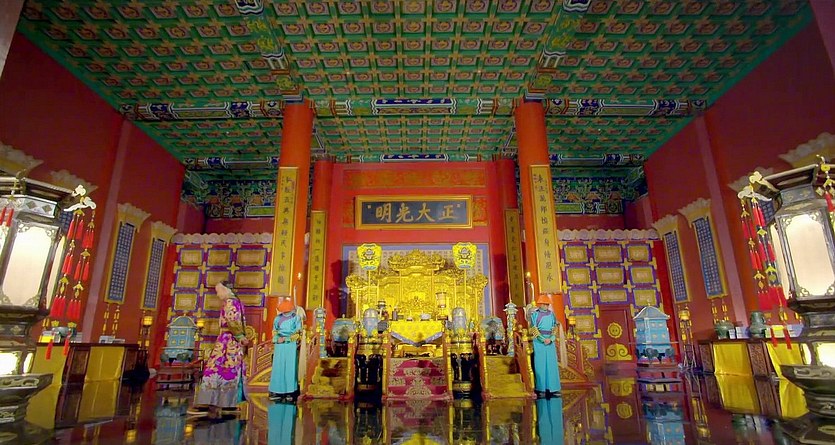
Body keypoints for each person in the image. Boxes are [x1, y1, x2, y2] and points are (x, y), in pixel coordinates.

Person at [188, 281, 249, 419]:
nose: (217, 294)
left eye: (218, 291)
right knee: (230, 371)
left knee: (215, 369)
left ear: (226, 290)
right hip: (232, 340)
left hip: (228, 341)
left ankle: (207, 402)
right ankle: (228, 403)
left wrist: (240, 336)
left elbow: (232, 321)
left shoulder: (230, 302)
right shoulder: (236, 302)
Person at [269, 298, 301, 401]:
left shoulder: (296, 318)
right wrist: (277, 339)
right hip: (279, 345)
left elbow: (298, 333)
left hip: (290, 344)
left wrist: (286, 339)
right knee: (278, 367)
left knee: (290, 368)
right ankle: (277, 391)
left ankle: (290, 392)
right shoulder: (277, 318)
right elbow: (274, 331)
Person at [529, 293, 561, 397]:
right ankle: (541, 389)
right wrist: (542, 339)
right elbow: (534, 329)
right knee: (540, 365)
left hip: (550, 341)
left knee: (551, 365)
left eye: (548, 304)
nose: (546, 306)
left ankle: (553, 388)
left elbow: (555, 327)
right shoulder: (535, 315)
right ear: (540, 304)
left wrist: (551, 338)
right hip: (539, 342)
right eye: (545, 304)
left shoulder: (551, 314)